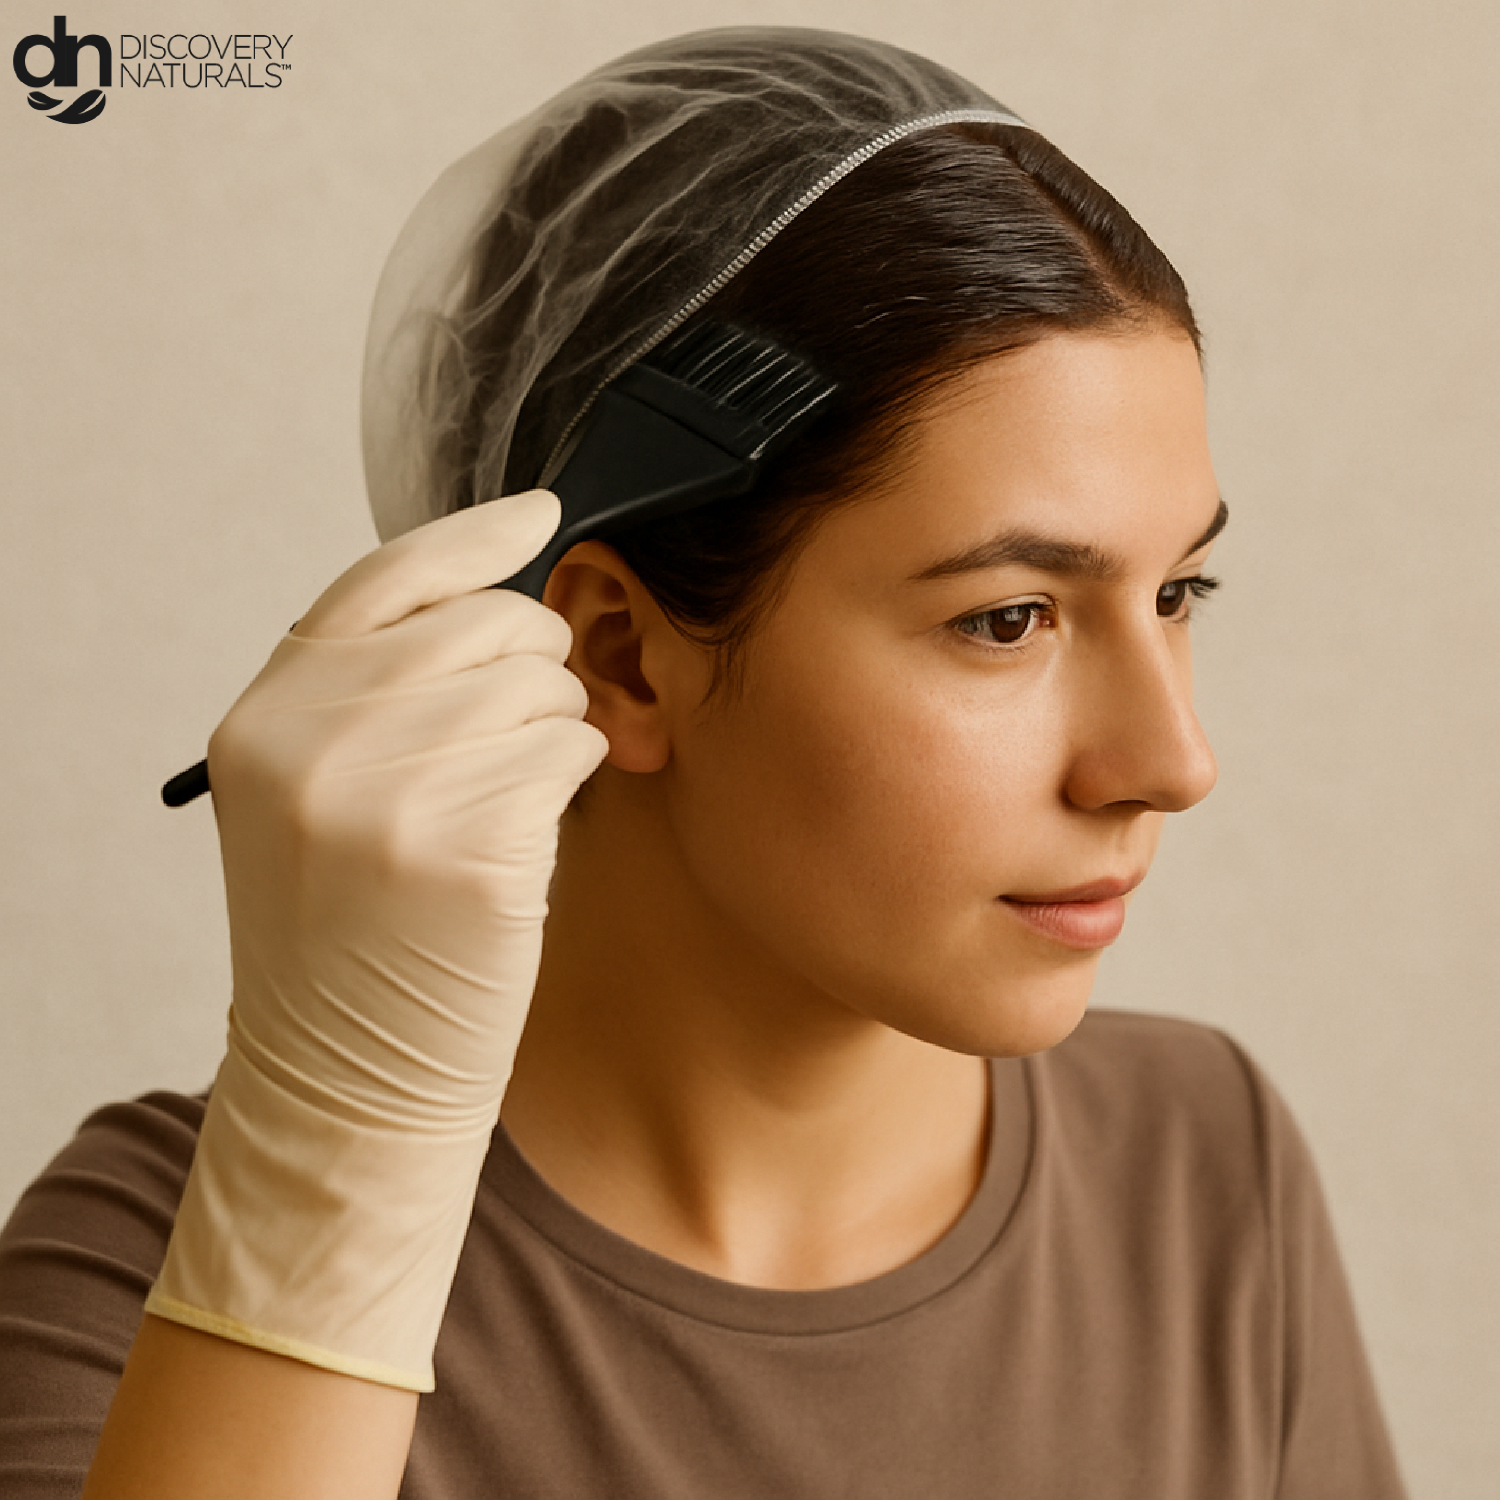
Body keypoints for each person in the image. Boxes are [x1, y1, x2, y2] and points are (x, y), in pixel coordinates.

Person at [0, 25, 1408, 1499]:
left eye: (1179, 594)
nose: (1174, 762)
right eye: (1009, 618)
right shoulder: (156, 1265)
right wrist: (326, 1192)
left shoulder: (1201, 1167)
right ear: (617, 653)